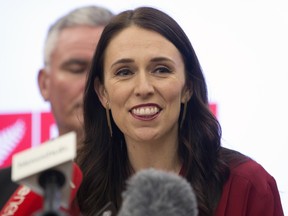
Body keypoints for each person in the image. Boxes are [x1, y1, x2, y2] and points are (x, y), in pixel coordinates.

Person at [75, 6, 284, 216]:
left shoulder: (248, 185)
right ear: (103, 93)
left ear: (188, 87)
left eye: (161, 70)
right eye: (125, 72)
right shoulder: (72, 191)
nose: (144, 88)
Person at [0, 5, 114, 211]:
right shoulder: (4, 188)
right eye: (76, 69)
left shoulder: (156, 183)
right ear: (44, 84)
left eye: (106, 70)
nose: (91, 85)